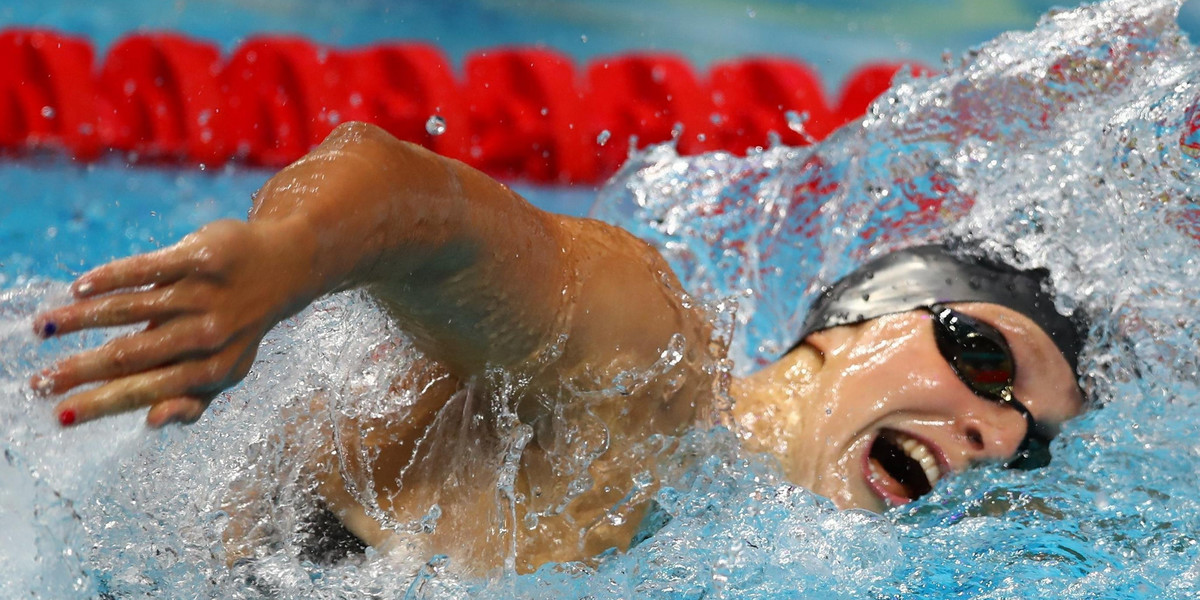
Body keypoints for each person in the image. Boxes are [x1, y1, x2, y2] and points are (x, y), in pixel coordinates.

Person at [28, 122, 1086, 573]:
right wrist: (282, 256)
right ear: (865, 318)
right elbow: (420, 201)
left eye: (1028, 442)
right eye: (984, 359)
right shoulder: (655, 362)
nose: (994, 432)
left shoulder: (726, 537)